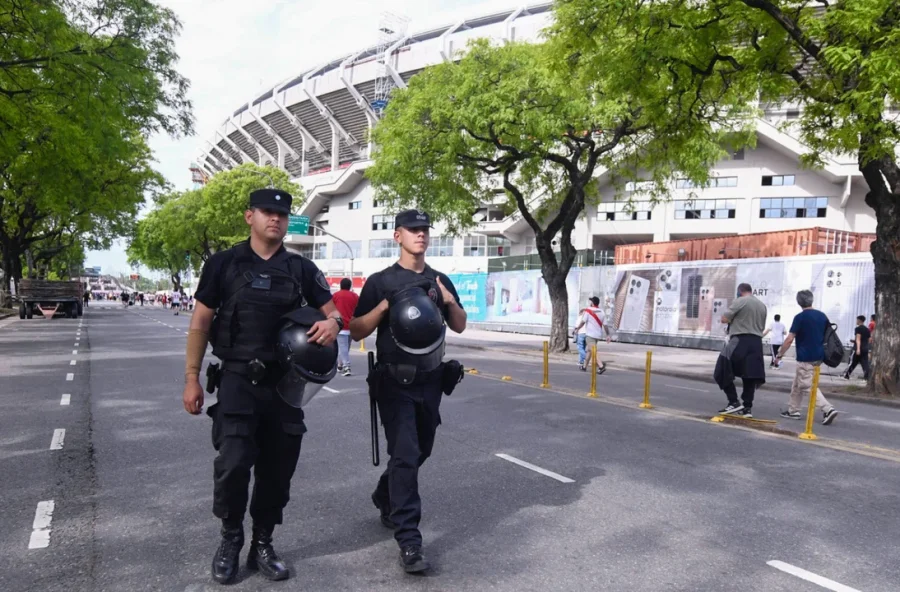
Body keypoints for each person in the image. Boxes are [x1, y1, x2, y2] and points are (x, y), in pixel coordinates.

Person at [181, 188, 342, 585]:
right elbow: (201, 322)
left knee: (277, 471)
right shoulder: (222, 264)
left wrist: (333, 323)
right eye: (268, 212)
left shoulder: (301, 269)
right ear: (248, 216)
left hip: (285, 386)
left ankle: (263, 543)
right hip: (237, 379)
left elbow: (334, 313)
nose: (276, 219)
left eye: (282, 214)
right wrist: (191, 377)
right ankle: (231, 538)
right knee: (233, 465)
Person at [350, 209, 467, 574]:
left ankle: (385, 493)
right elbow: (355, 329)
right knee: (405, 454)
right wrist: (384, 307)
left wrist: (447, 300)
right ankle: (410, 542)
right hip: (394, 383)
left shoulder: (438, 279)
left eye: (425, 230)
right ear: (397, 236)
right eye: (413, 230)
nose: (421, 235)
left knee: (422, 451)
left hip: (431, 380)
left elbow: (460, 326)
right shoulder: (381, 281)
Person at [775, 290, 839, 424]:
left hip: (806, 356)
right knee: (797, 384)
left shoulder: (800, 317)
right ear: (812, 300)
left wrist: (779, 355)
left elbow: (789, 339)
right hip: (819, 356)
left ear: (799, 302)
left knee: (806, 385)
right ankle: (793, 410)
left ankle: (828, 409)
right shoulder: (822, 316)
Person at [714, 283, 767, 417]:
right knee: (750, 375)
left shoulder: (740, 301)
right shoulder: (762, 305)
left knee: (721, 369)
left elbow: (724, 318)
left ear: (740, 291)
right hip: (756, 343)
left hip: (739, 340)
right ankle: (747, 407)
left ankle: (733, 401)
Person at [572, 296, 610, 373]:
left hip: (590, 335)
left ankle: (601, 366)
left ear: (592, 303)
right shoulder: (601, 312)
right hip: (597, 335)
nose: (590, 303)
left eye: (591, 302)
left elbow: (583, 322)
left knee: (593, 351)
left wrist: (577, 329)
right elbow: (605, 325)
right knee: (589, 350)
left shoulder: (588, 311)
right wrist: (608, 335)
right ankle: (584, 366)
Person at [332, 278, 359, 376]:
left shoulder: (336, 295)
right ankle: (340, 364)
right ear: (350, 286)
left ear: (340, 285)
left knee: (342, 347)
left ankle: (346, 367)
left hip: (340, 325)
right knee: (345, 348)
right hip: (351, 326)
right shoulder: (355, 296)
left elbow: (331, 309)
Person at [843, 315, 871, 380]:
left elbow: (858, 339)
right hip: (865, 349)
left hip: (858, 349)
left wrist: (858, 349)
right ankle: (866, 376)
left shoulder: (858, 329)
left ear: (859, 320)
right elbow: (869, 340)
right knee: (865, 363)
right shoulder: (867, 330)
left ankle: (847, 375)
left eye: (857, 320)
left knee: (853, 362)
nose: (856, 321)